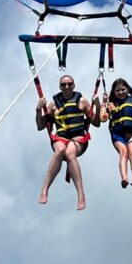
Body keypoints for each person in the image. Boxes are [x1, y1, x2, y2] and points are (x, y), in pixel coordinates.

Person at [37, 74, 91, 210]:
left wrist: (96, 104)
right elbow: (40, 126)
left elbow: (96, 122)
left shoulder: (82, 101)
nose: (67, 87)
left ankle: (81, 194)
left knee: (70, 153)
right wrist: (38, 109)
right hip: (60, 137)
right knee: (60, 150)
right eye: (64, 84)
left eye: (69, 84)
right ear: (60, 87)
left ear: (73, 85)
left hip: (78, 137)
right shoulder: (53, 104)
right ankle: (45, 189)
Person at [99, 78, 132, 188]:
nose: (121, 92)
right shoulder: (111, 105)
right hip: (118, 135)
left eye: (123, 89)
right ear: (114, 92)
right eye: (117, 90)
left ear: (127, 89)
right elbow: (103, 119)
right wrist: (103, 102)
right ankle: (124, 178)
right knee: (123, 153)